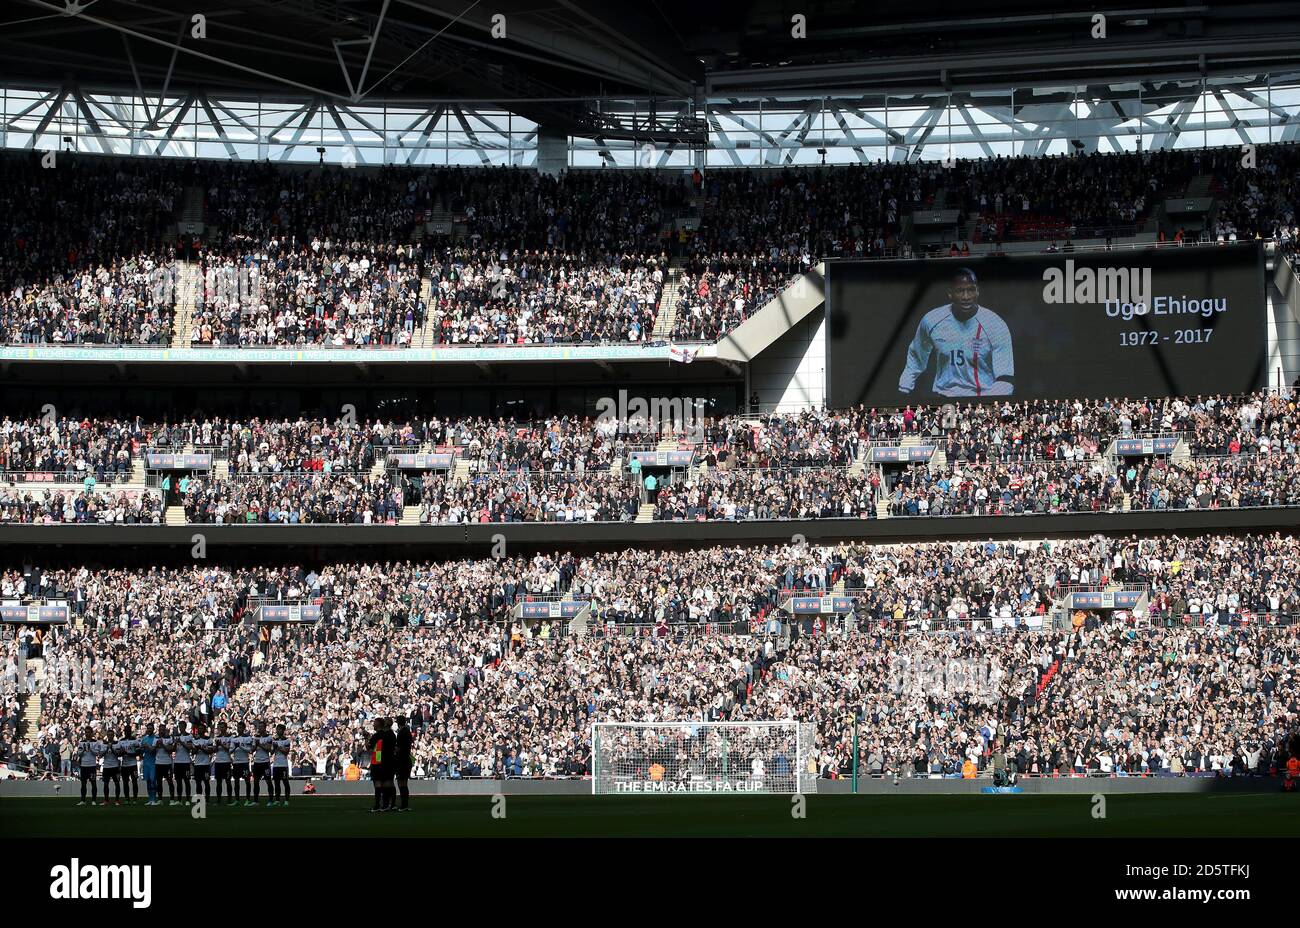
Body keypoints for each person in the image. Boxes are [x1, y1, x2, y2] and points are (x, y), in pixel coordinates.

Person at [898, 267, 1014, 399]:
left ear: (977, 292)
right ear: (950, 293)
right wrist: (904, 388)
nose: (966, 297)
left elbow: (1005, 378)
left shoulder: (995, 324)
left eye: (970, 290)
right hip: (942, 399)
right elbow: (916, 357)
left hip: (980, 399)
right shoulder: (932, 320)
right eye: (960, 291)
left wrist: (985, 404)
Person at [366, 717, 395, 812]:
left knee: (378, 783)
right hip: (388, 762)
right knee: (387, 782)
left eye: (374, 723)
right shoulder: (389, 735)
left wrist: (366, 738)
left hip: (377, 762)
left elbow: (369, 749)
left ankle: (378, 804)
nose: (373, 725)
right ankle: (388, 804)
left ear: (378, 724)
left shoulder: (376, 736)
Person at [75, 726, 100, 806]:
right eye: (86, 732)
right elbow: (79, 754)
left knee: (93, 783)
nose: (87, 734)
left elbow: (97, 753)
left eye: (89, 732)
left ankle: (93, 800)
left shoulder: (95, 742)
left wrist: (90, 749)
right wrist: (83, 750)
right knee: (83, 784)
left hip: (92, 766)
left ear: (91, 733)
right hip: (84, 765)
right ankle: (83, 800)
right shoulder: (81, 742)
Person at [115, 727, 140, 804]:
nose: (127, 732)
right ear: (124, 732)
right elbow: (118, 753)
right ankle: (127, 798)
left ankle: (135, 799)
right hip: (124, 765)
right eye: (126, 731)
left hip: (133, 764)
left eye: (128, 731)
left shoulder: (135, 740)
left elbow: (138, 752)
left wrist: (129, 753)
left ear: (130, 731)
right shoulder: (121, 741)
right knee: (125, 782)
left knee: (134, 781)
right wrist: (123, 753)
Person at [394, 715, 413, 812]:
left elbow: (399, 747)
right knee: (404, 783)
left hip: (402, 760)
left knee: (401, 783)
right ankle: (404, 804)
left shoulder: (401, 732)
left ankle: (404, 805)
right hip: (406, 759)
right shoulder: (407, 732)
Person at [231, 720, 253, 805]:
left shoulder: (248, 738)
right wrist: (235, 747)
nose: (239, 729)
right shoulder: (234, 739)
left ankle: (247, 799)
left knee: (247, 781)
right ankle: (237, 800)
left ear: (244, 728)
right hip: (236, 762)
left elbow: (250, 750)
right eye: (238, 728)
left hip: (244, 762)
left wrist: (240, 746)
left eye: (240, 728)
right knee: (236, 781)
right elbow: (230, 751)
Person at [252, 721, 274, 806]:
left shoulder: (269, 737)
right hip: (257, 762)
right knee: (256, 782)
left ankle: (271, 800)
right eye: (259, 727)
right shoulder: (255, 737)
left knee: (268, 781)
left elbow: (268, 749)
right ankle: (255, 801)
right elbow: (252, 749)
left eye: (261, 727)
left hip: (265, 762)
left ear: (265, 728)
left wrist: (259, 745)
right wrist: (255, 746)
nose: (259, 728)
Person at [271, 723, 291, 807]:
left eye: (280, 729)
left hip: (283, 764)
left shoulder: (286, 740)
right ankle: (277, 800)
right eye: (277, 729)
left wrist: (278, 747)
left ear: (283, 731)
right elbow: (271, 752)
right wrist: (274, 747)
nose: (278, 731)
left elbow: (286, 752)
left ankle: (286, 800)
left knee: (285, 782)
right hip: (276, 764)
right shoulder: (274, 740)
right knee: (276, 783)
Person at [213, 720, 233, 804]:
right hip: (218, 761)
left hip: (226, 761)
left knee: (228, 781)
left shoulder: (230, 737)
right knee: (218, 782)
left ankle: (229, 799)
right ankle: (218, 799)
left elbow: (230, 749)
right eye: (220, 727)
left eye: (222, 727)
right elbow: (214, 750)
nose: (221, 729)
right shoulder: (217, 737)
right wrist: (217, 745)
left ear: (226, 728)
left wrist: (221, 744)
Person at [155, 723, 176, 805]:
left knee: (170, 781)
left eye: (163, 730)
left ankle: (172, 799)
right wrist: (156, 746)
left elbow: (170, 750)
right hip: (158, 763)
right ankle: (160, 799)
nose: (161, 731)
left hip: (167, 763)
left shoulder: (169, 738)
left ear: (165, 730)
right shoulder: (155, 739)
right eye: (160, 730)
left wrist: (162, 744)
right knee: (159, 782)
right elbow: (153, 750)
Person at [100, 725, 120, 806]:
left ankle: (117, 800)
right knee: (105, 784)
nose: (110, 736)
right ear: (107, 736)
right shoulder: (103, 744)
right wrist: (106, 749)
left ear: (113, 735)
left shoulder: (117, 744)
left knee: (117, 783)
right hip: (106, 766)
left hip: (115, 766)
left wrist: (111, 748)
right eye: (108, 735)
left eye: (111, 735)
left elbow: (118, 754)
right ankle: (106, 800)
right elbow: (100, 755)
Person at [140, 723, 158, 806]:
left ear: (153, 729)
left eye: (150, 728)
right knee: (148, 781)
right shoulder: (144, 739)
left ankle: (154, 799)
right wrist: (141, 749)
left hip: (153, 762)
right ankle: (150, 799)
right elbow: (141, 752)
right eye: (148, 728)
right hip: (146, 761)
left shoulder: (155, 739)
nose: (149, 730)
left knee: (153, 780)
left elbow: (153, 751)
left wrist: (147, 746)